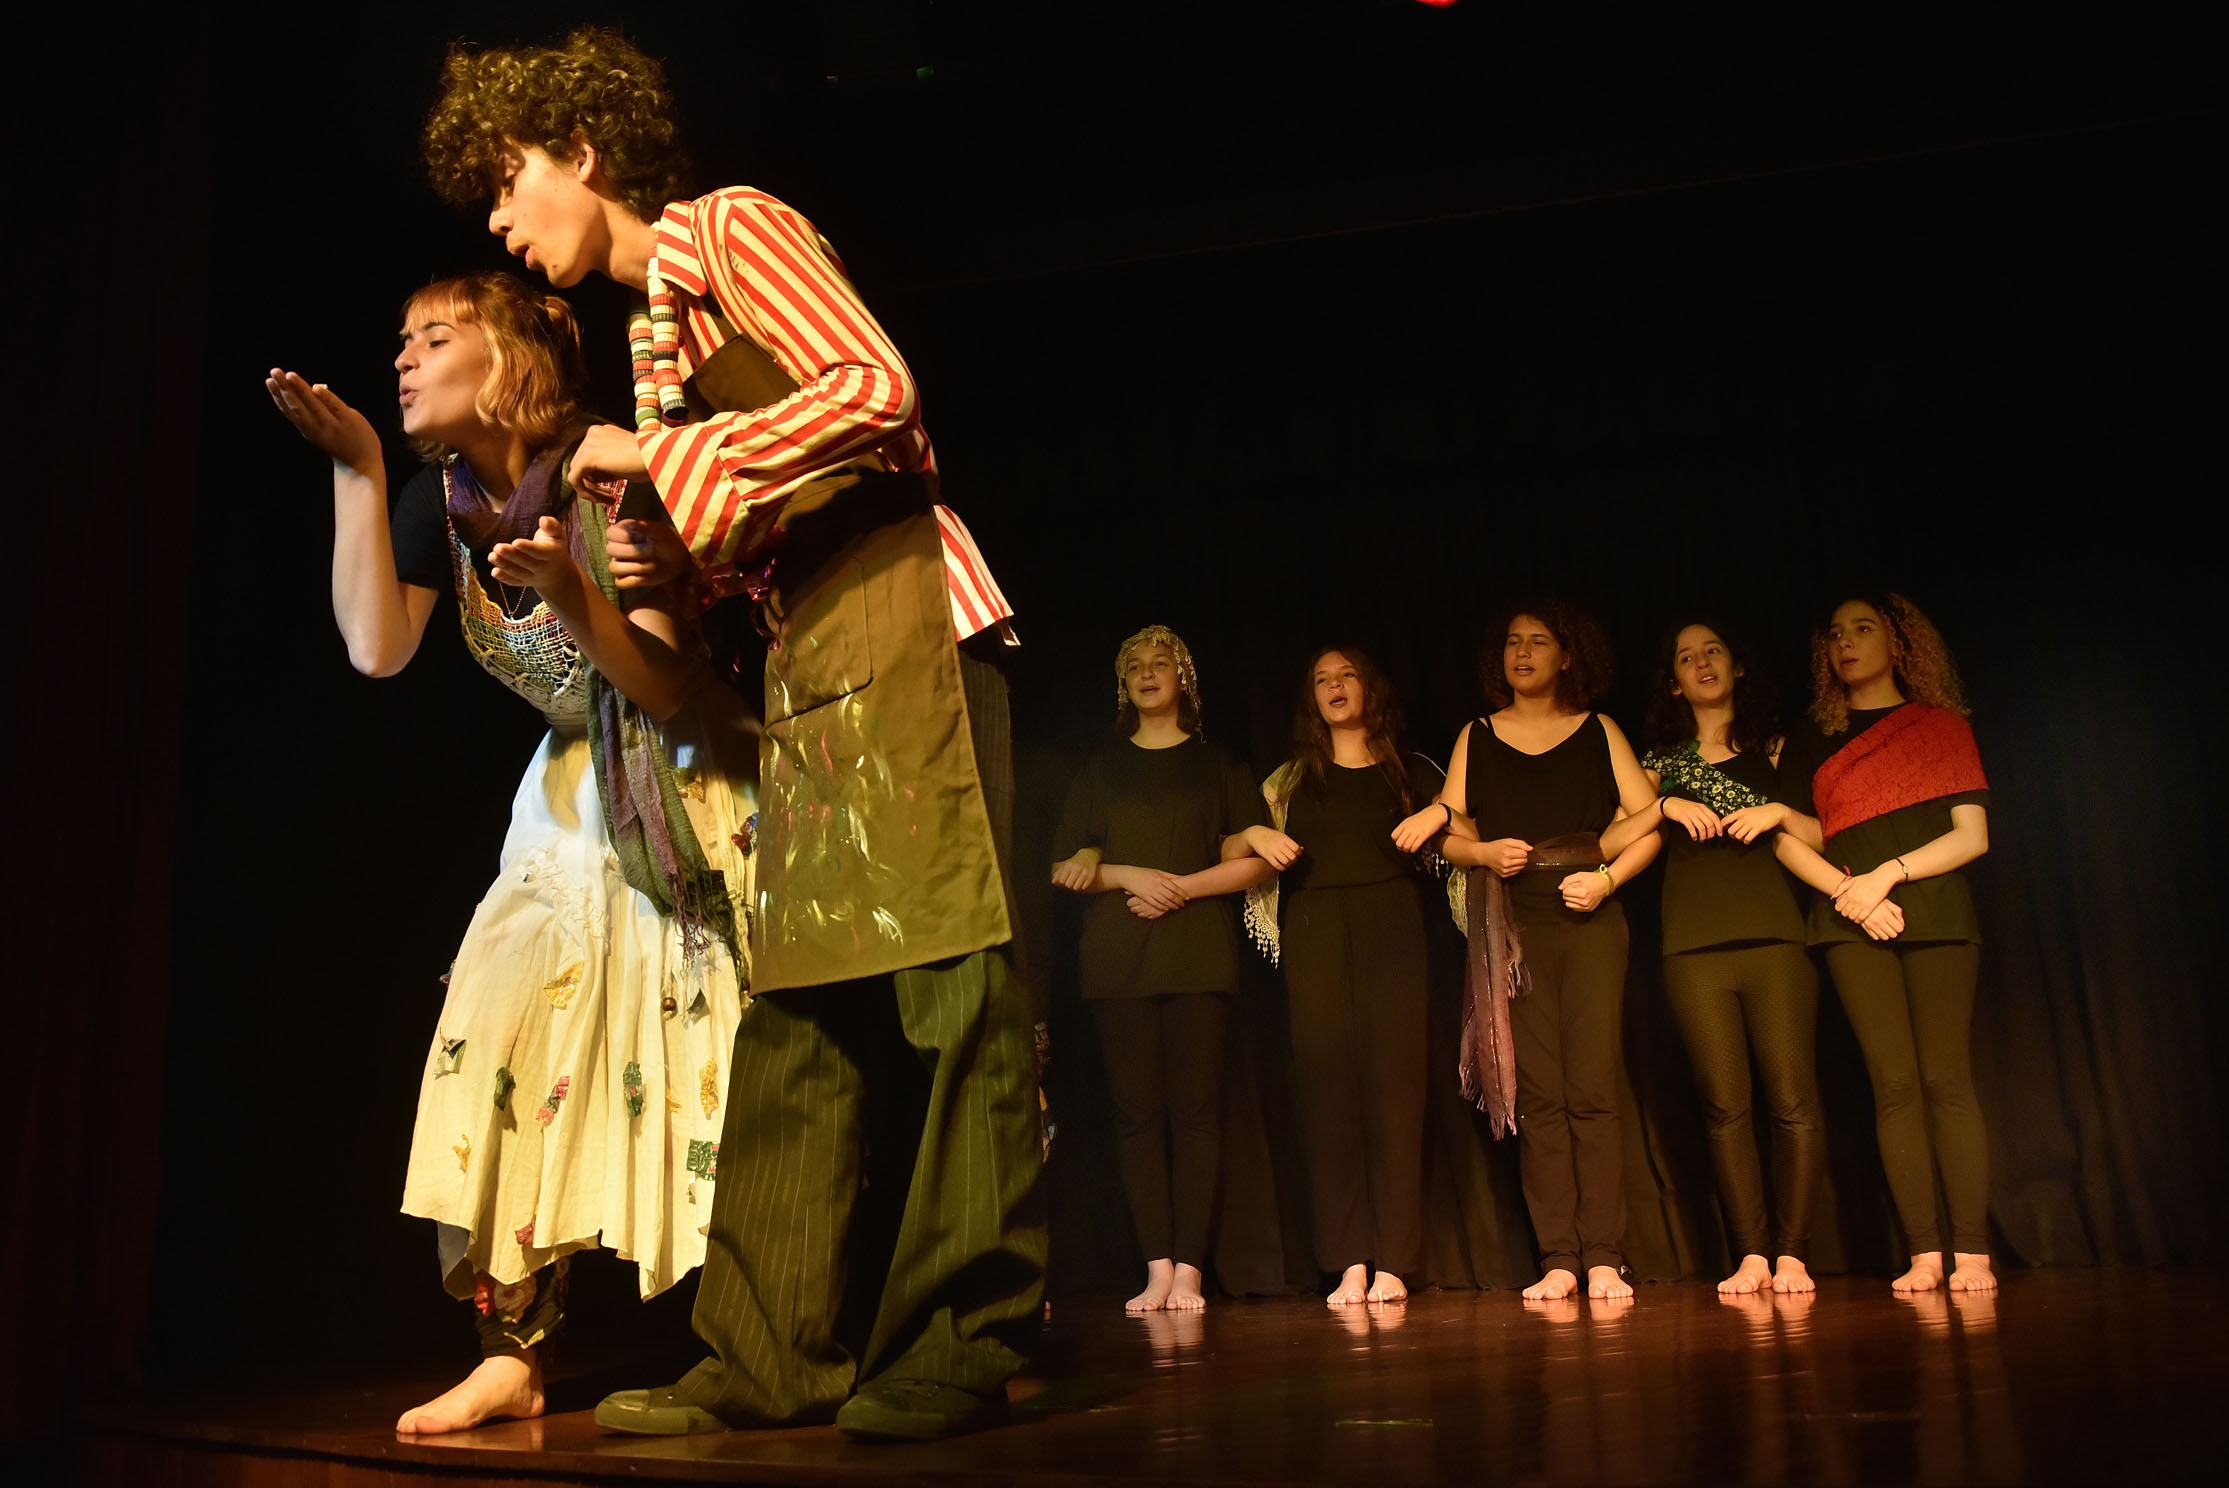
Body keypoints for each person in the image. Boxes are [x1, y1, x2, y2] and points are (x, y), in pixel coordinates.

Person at [422, 29, 1044, 1440]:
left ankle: (962, 1336)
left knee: (952, 1000)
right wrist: (664, 572)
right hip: (807, 662)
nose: (507, 228)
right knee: (800, 1012)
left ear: (583, 154)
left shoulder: (731, 230)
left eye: (513, 187)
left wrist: (665, 466)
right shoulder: (656, 349)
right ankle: (768, 1352)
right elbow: (733, 510)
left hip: (910, 624)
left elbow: (878, 391)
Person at [266, 272, 755, 1434]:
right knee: (499, 1029)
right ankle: (510, 1347)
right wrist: (356, 468)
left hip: (692, 777)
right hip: (570, 788)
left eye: (437, 337)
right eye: (402, 340)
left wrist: (576, 594)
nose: (405, 358)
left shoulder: (605, 466)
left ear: (515, 361)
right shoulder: (442, 498)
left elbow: (668, 687)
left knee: (712, 1051)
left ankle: (762, 1328)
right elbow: (377, 649)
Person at [1598, 620, 1864, 1296]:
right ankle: (1749, 1253)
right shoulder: (1662, 760)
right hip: (1693, 950)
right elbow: (1607, 841)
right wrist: (1661, 804)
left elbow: (1823, 833)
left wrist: (1775, 814)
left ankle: (1793, 1252)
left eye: (1711, 650)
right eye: (1684, 657)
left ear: (1736, 666)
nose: (1700, 663)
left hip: (1775, 941)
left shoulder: (1774, 749)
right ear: (1673, 680)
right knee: (1724, 1108)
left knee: (1792, 1101)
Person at [1766, 595, 1996, 1294]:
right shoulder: (1812, 734)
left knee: (1944, 1081)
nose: (1846, 643)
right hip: (1848, 922)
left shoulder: (1940, 726)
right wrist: (1850, 896)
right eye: (1834, 633)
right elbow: (1791, 837)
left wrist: (1886, 876)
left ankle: (1972, 1249)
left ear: (1899, 644)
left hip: (1934, 911)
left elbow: (1971, 835)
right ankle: (1924, 1250)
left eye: (1862, 629)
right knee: (1892, 1085)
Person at [1434, 603, 1660, 1302]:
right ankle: (1559, 1256)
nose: (1523, 653)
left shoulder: (1597, 731)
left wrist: (1604, 877)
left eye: (1539, 642)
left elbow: (1648, 817)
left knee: (1590, 1089)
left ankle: (1603, 1255)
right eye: (1512, 642)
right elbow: (1448, 832)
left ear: (1568, 656)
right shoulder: (1477, 735)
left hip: (1587, 915)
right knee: (1539, 1095)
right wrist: (1481, 851)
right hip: (1513, 923)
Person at [1051, 626, 1275, 1312]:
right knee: (1136, 1115)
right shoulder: (1098, 768)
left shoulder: (1217, 765)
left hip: (1197, 950)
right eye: (1135, 668)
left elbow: (1258, 859)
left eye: (1160, 664)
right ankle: (1155, 1266)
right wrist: (1126, 874)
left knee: (1198, 1112)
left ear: (1184, 680)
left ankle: (1190, 1270)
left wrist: (1181, 886)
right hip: (1119, 959)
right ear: (1123, 686)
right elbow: (1065, 866)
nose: (1147, 675)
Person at [1241, 647, 1442, 1307]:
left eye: (1345, 675)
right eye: (1321, 679)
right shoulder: (1290, 779)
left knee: (1394, 1092)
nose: (1333, 686)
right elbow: (1240, 847)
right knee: (1328, 1095)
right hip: (1317, 928)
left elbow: (1462, 824)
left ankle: (1394, 1260)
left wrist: (1437, 814)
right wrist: (1253, 834)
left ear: (1369, 687)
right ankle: (1346, 1259)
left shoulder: (1407, 771)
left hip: (1391, 926)